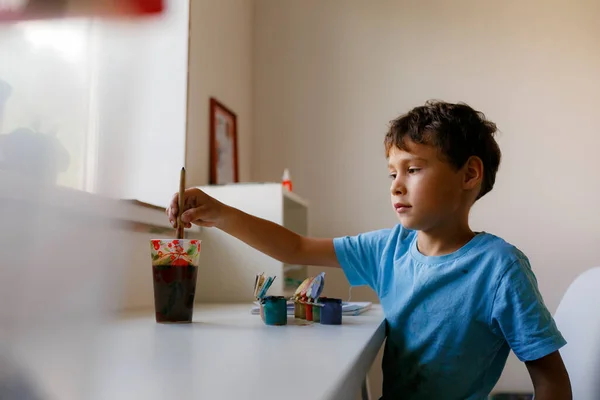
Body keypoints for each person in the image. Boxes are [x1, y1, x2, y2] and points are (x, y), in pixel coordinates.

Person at [167, 100, 572, 400]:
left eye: (412, 170)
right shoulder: (388, 248)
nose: (396, 185)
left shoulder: (500, 268)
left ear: (469, 174)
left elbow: (551, 379)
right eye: (392, 173)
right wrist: (220, 214)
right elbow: (295, 246)